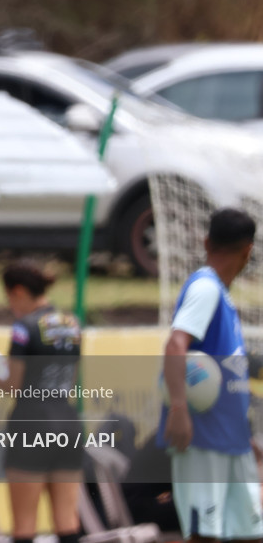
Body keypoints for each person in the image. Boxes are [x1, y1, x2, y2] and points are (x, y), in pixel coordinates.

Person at [158, 207, 262, 543]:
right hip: (200, 438)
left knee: (249, 532)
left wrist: (240, 433)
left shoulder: (220, 293)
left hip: (228, 440)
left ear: (206, 241)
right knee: (204, 535)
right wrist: (178, 409)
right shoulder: (205, 288)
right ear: (249, 250)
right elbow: (176, 344)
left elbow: (221, 374)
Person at [0, 261, 82, 543]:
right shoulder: (72, 323)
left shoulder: (24, 328)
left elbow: (14, 385)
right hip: (68, 423)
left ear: (18, 291)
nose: (11, 306)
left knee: (24, 524)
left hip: (32, 425)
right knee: (67, 521)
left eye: (9, 299)